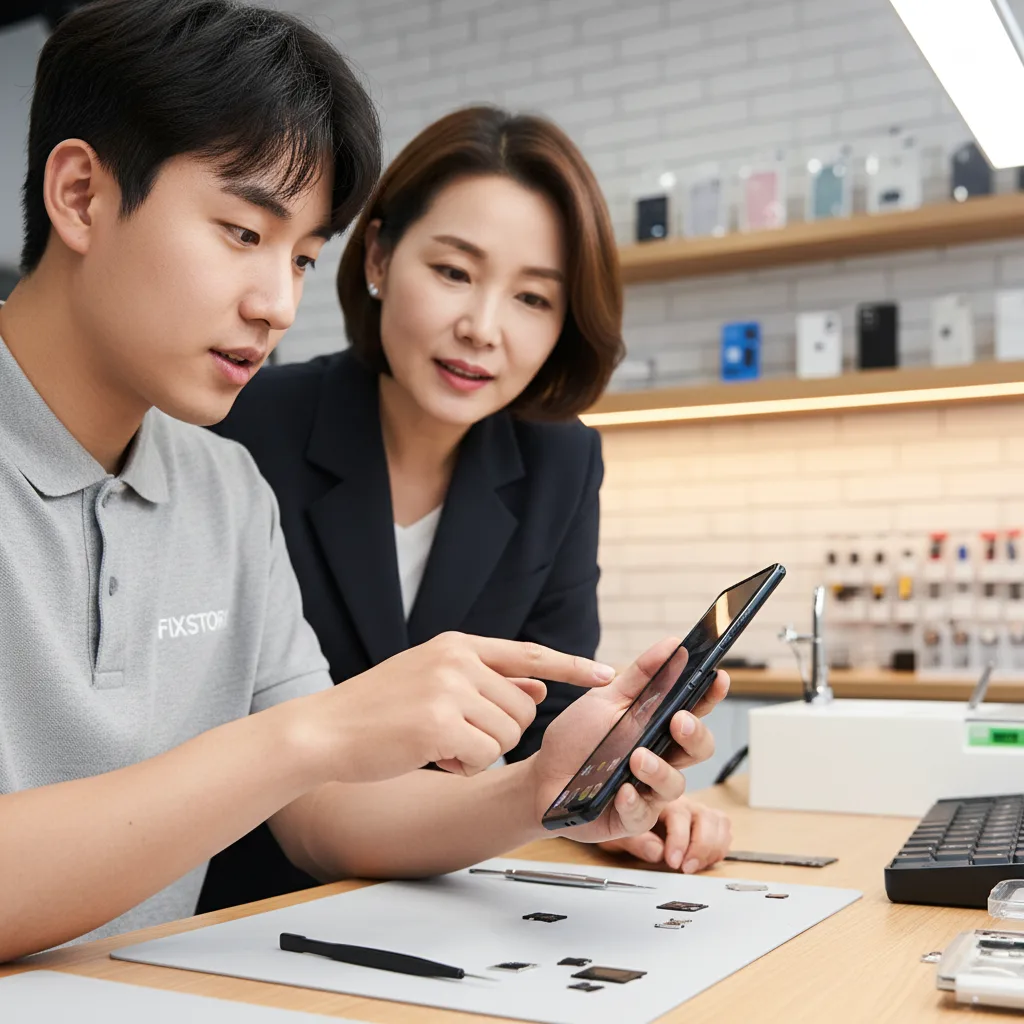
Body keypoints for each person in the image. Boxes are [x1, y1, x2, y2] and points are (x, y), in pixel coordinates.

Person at [0, 0, 727, 962]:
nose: (278, 304)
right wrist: (312, 732)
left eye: (302, 257)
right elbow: (305, 760)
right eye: (241, 233)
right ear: (83, 195)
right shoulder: (265, 442)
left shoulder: (225, 490)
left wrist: (538, 791)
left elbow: (320, 815)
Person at [202, 106, 731, 914]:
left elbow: (544, 732)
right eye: (454, 272)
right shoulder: (243, 424)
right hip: (234, 907)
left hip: (454, 903)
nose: (481, 329)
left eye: (532, 298)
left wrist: (606, 794)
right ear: (378, 254)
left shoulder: (560, 460)